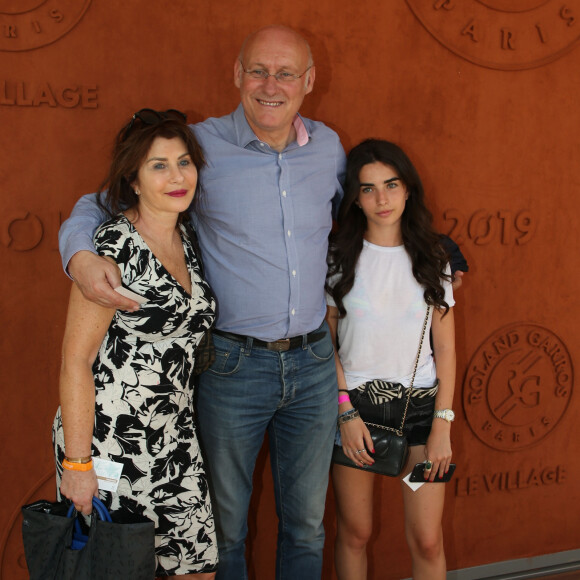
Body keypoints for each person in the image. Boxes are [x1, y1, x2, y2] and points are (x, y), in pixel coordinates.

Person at [58, 26, 346, 580]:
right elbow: (99, 202)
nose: (271, 85)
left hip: (312, 363)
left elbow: (364, 220)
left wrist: (433, 254)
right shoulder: (196, 147)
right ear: (237, 75)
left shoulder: (330, 149)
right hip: (233, 367)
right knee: (227, 528)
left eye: (286, 73)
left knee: (308, 525)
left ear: (308, 81)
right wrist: (80, 257)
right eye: (258, 70)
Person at [53, 109, 218, 578]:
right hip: (110, 442)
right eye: (159, 165)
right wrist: (78, 463)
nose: (177, 176)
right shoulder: (114, 246)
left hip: (176, 440)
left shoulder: (187, 238)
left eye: (184, 162)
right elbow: (76, 359)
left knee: (197, 569)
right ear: (134, 180)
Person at [325, 139, 456, 580]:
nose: (382, 199)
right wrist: (345, 412)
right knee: (355, 533)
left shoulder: (432, 258)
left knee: (427, 538)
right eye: (368, 189)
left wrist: (443, 425)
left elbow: (448, 349)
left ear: (407, 189)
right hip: (356, 414)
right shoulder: (338, 258)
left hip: (421, 416)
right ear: (355, 198)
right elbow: (327, 345)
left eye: (391, 185)